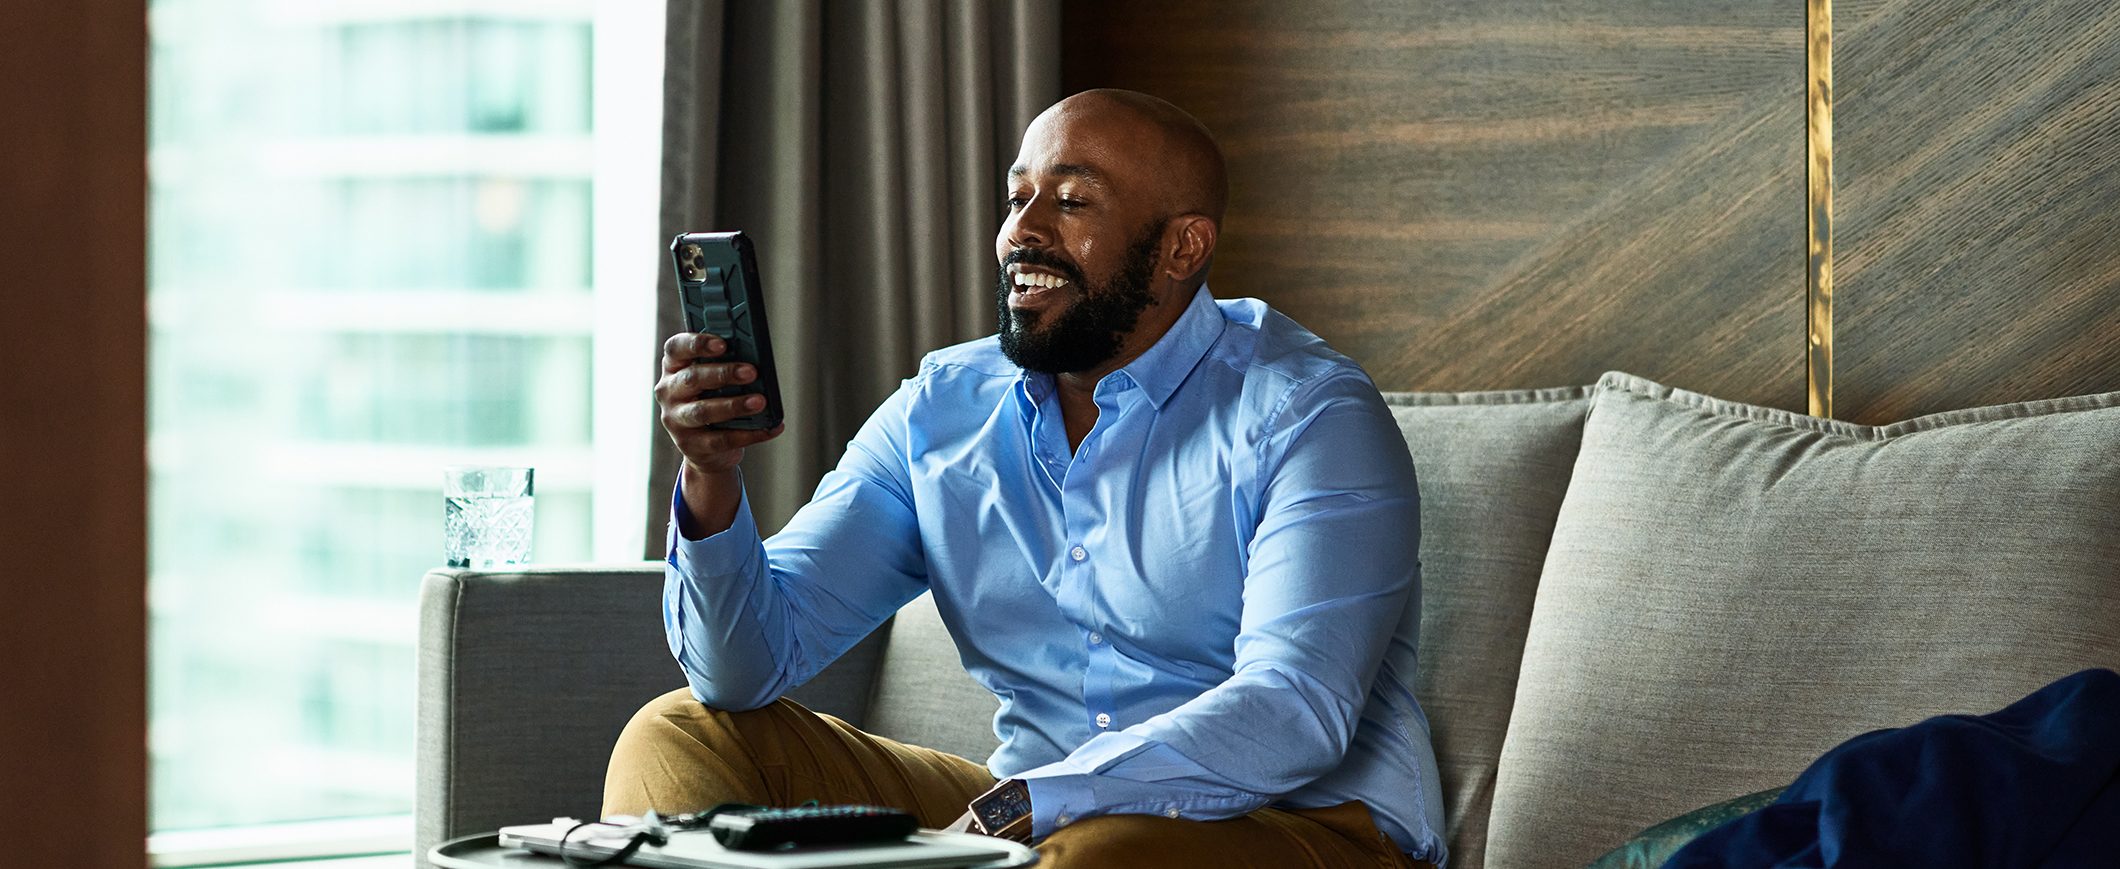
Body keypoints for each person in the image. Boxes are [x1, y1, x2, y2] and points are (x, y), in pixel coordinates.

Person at [609, 88, 1446, 868]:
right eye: (1016, 198)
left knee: (1089, 853)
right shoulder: (943, 409)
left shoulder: (1308, 414)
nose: (1022, 230)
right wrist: (710, 473)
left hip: (1305, 824)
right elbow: (746, 668)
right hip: (1030, 818)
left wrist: (1031, 802)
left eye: (1071, 201)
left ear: (1182, 248)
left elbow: (1293, 708)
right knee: (679, 733)